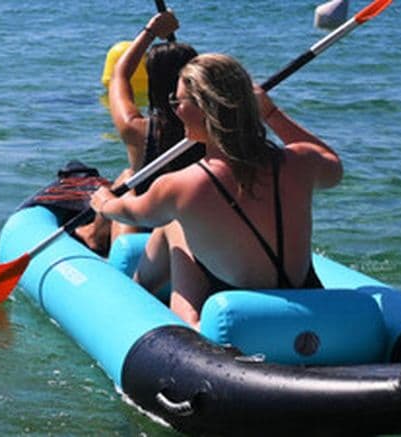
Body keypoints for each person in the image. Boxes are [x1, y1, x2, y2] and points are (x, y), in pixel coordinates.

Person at [89, 53, 343, 330]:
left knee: (174, 222)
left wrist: (103, 202)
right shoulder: (301, 161)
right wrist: (271, 113)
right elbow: (333, 164)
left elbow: (132, 213)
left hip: (234, 313)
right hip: (306, 293)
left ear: (205, 108)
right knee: (176, 220)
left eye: (178, 101)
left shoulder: (181, 185)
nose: (175, 110)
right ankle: (142, 295)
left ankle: (148, 303)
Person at [75, 11, 203, 254]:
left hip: (148, 226)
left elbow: (118, 77)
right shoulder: (219, 128)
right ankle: (94, 231)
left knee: (130, 179)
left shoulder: (138, 130)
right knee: (128, 175)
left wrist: (150, 31)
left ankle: (94, 234)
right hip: (198, 221)